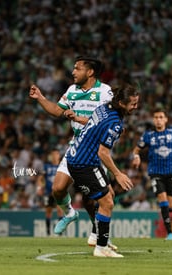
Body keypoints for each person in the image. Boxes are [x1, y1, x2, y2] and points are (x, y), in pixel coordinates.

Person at [29, 55, 117, 249]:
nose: (73, 72)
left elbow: (107, 122)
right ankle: (69, 213)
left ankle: (101, 235)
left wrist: (78, 118)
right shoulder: (72, 91)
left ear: (90, 72)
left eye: (77, 68)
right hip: (76, 146)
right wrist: (41, 98)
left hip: (95, 150)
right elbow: (56, 111)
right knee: (58, 188)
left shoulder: (105, 92)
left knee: (93, 199)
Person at [66, 84, 139, 257]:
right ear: (121, 103)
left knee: (110, 194)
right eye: (133, 104)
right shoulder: (115, 123)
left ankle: (95, 236)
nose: (136, 107)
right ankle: (101, 247)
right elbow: (103, 152)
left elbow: (92, 123)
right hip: (83, 163)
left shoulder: (104, 107)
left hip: (81, 158)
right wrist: (118, 174)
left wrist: (77, 118)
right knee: (107, 202)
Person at [131, 108, 172, 240]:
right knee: (162, 199)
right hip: (155, 173)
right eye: (156, 117)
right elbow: (136, 150)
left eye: (161, 117)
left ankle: (165, 213)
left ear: (165, 119)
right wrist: (136, 157)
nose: (158, 120)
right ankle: (170, 232)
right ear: (153, 120)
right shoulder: (148, 135)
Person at [36, 149, 64, 236]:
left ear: (59, 156)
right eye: (52, 154)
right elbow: (40, 178)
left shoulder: (62, 167)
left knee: (60, 210)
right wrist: (39, 188)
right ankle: (48, 232)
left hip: (58, 192)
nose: (54, 156)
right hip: (48, 193)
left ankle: (60, 233)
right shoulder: (46, 167)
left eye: (56, 154)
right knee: (48, 211)